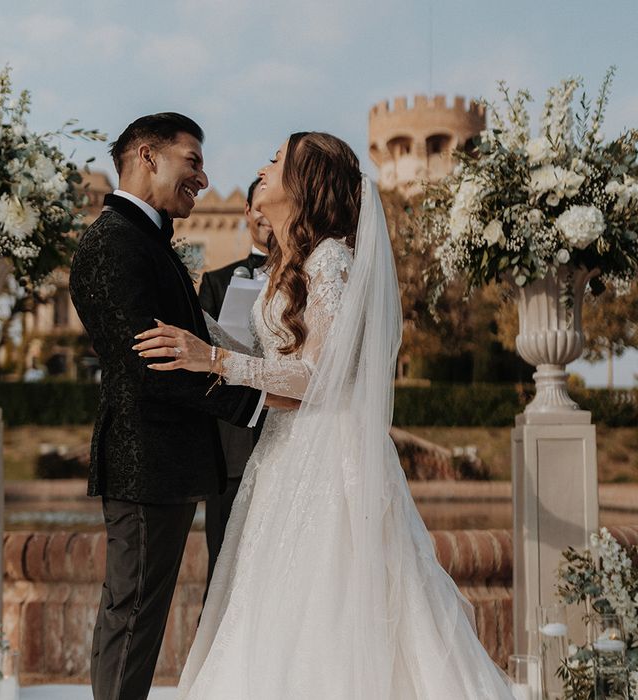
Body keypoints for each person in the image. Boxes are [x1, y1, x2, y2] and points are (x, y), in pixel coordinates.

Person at [132, 132, 514, 698]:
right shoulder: (294, 261)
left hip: (327, 456)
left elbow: (318, 380)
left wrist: (211, 358)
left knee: (328, 604)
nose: (265, 166)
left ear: (304, 183)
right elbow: (272, 364)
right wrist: (194, 323)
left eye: (278, 159)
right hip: (282, 453)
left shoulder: (331, 259)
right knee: (269, 605)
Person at [69, 112, 289, 700]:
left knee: (137, 614)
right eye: (192, 161)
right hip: (146, 463)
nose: (202, 175)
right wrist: (259, 402)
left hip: (162, 463)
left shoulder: (145, 239)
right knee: (133, 615)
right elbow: (154, 366)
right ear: (148, 156)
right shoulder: (116, 243)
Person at [197, 178, 270, 587]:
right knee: (224, 571)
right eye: (257, 207)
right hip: (232, 449)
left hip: (290, 438)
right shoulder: (215, 282)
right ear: (246, 213)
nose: (265, 216)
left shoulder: (309, 281)